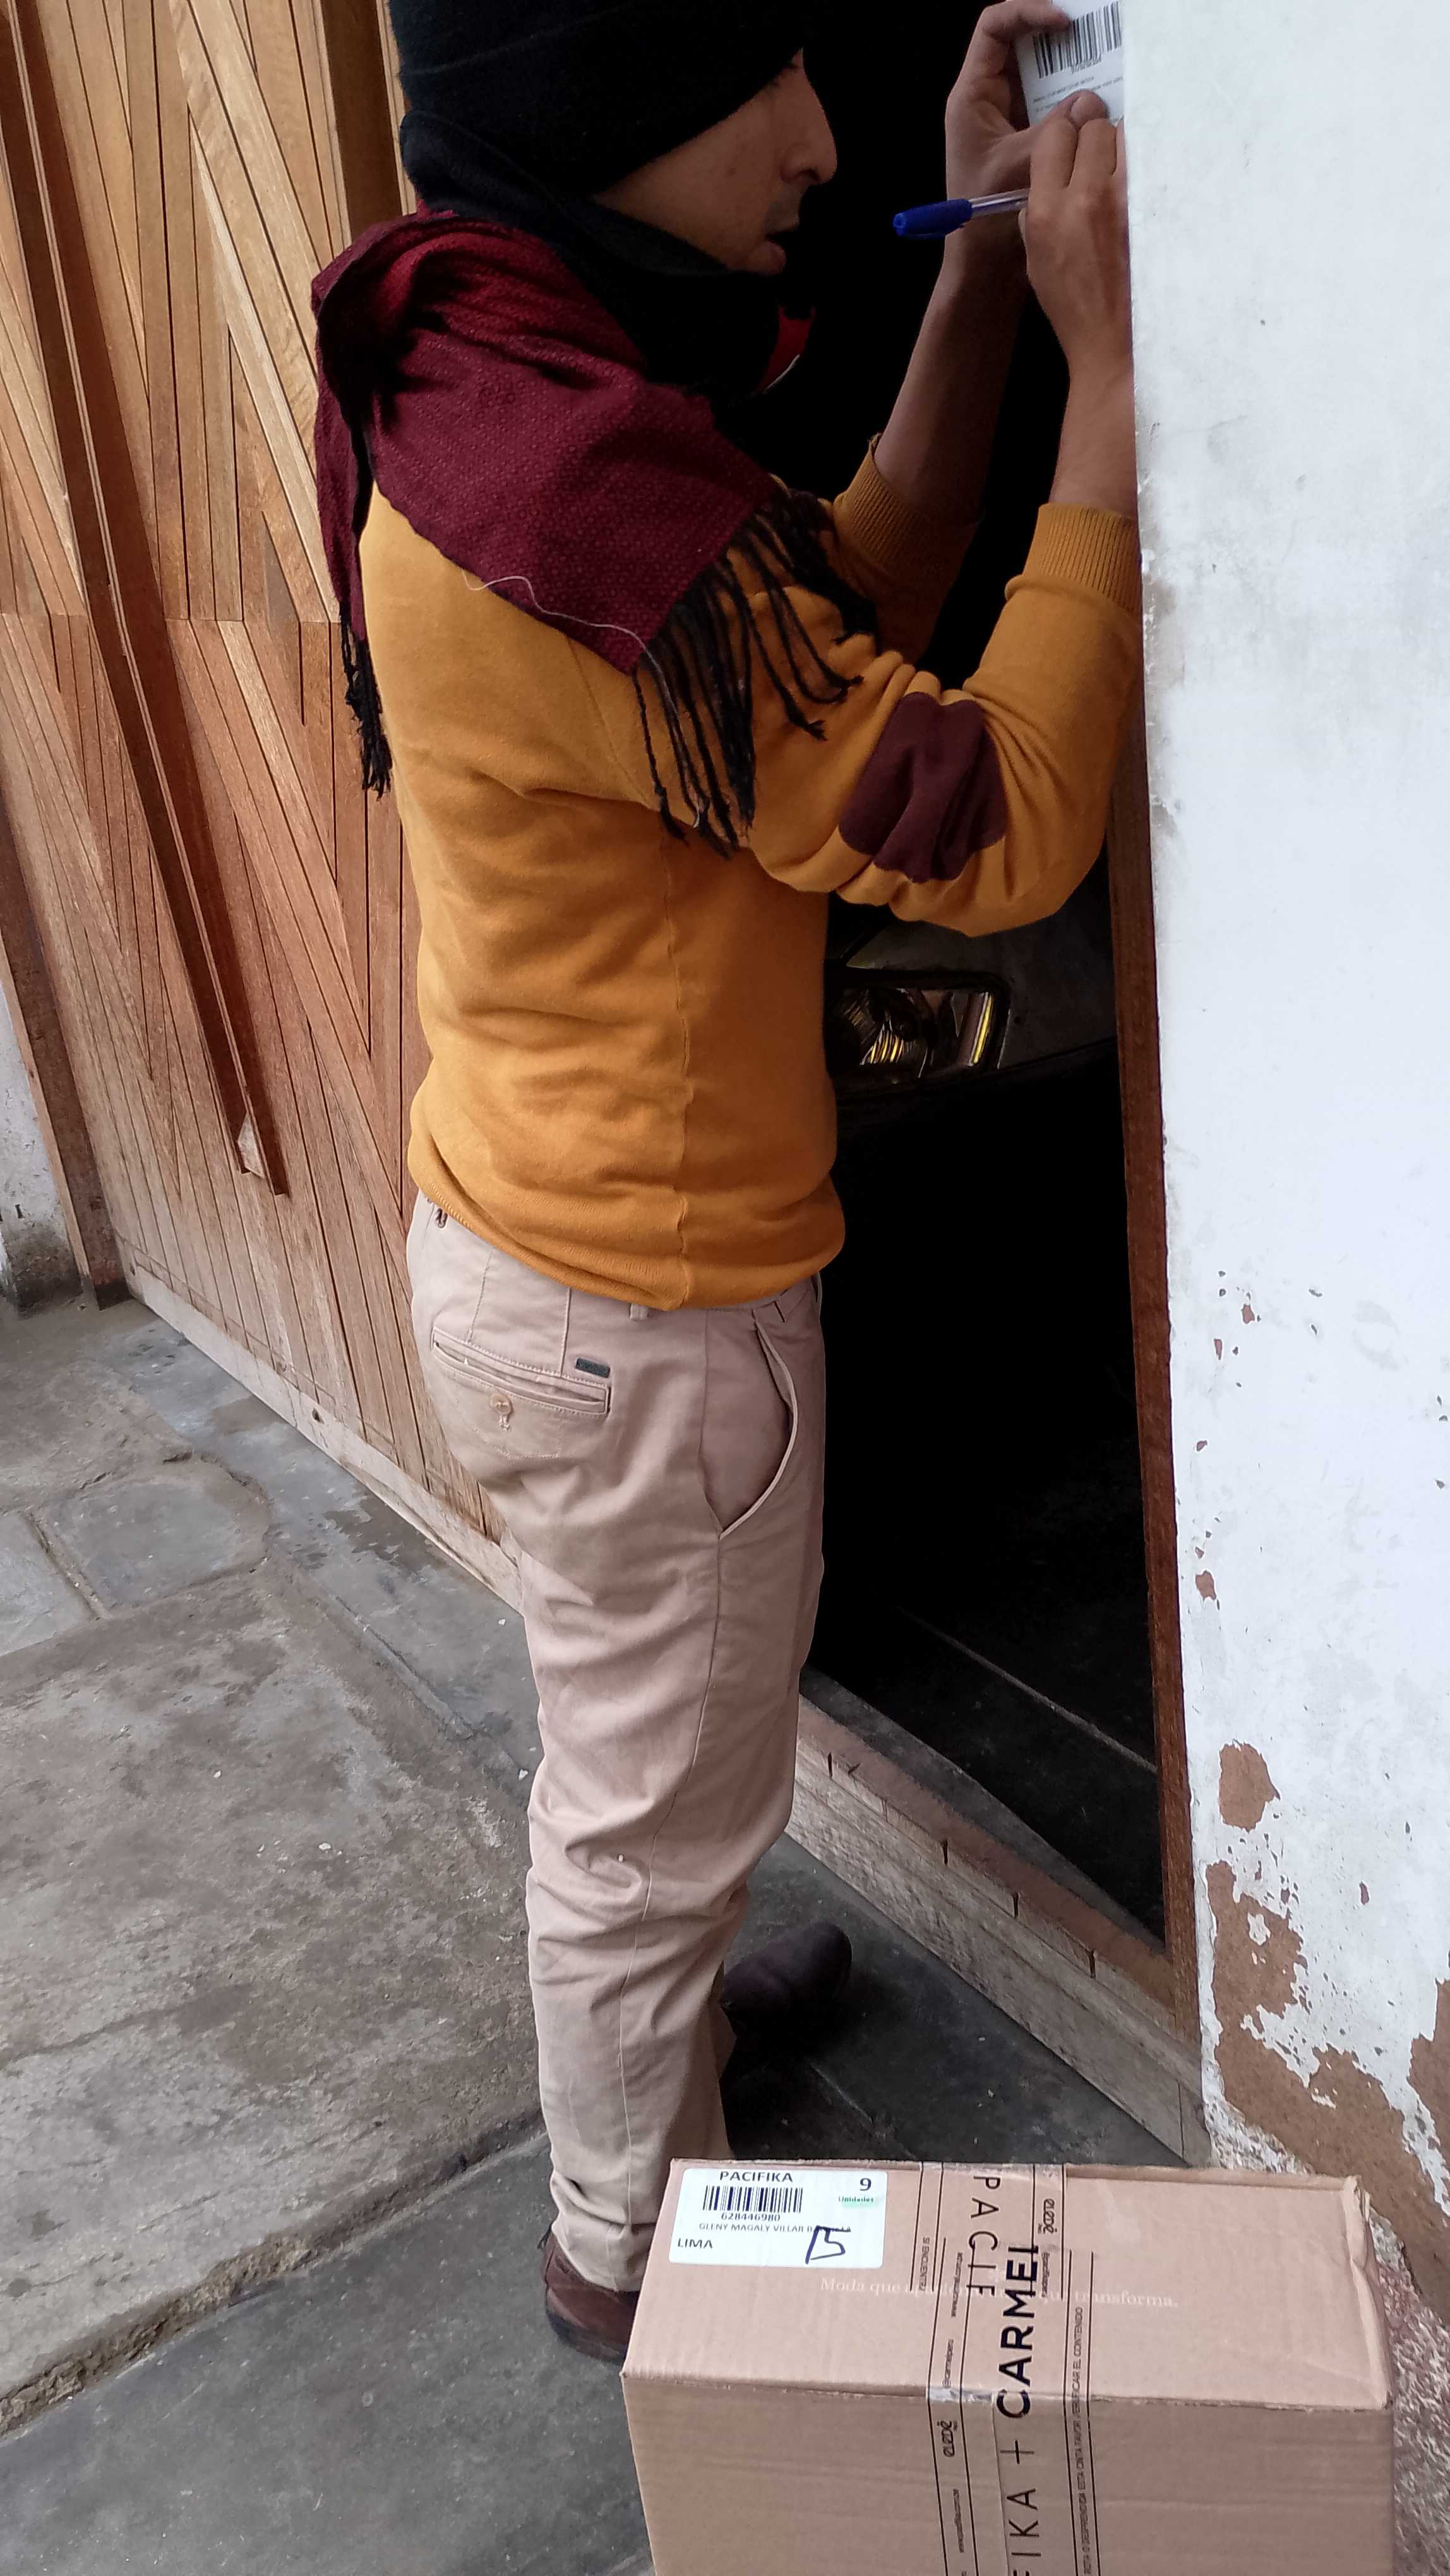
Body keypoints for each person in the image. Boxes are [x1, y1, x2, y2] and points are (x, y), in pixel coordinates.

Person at [312, 0, 1139, 2366]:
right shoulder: (584, 535)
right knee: (646, 1812)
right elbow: (997, 822)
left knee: (642, 1758)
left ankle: (659, 2039)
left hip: (548, 1263)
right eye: (744, 84)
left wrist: (976, 278)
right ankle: (626, 2236)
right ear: (597, 126)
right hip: (639, 1324)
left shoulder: (506, 398)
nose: (813, 136)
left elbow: (825, 626)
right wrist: (1108, 394)